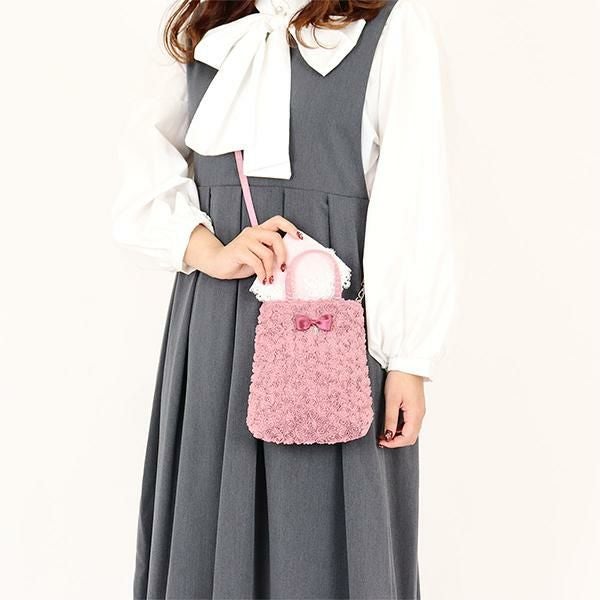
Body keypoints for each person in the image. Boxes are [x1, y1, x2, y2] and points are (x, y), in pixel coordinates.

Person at [112, 0, 455, 598]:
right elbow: (143, 164)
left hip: (334, 327)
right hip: (217, 324)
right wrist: (208, 249)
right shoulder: (207, 26)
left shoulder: (393, 27)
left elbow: (415, 198)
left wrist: (408, 358)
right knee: (207, 529)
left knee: (328, 538)